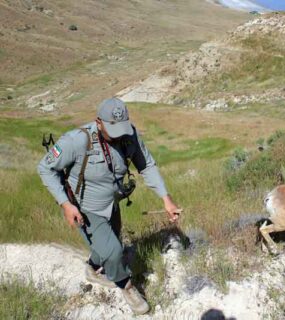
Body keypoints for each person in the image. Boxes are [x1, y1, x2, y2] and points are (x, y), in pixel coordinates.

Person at [37, 97, 181, 315]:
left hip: (112, 204)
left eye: (121, 128)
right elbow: (45, 168)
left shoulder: (130, 136)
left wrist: (166, 198)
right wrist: (66, 204)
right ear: (99, 122)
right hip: (86, 208)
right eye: (113, 128)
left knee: (107, 244)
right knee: (114, 251)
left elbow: (147, 165)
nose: (119, 134)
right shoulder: (77, 140)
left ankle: (93, 269)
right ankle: (127, 286)